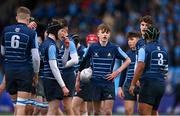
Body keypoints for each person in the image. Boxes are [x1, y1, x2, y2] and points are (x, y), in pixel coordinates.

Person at [77, 23, 131, 115]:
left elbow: (128, 60)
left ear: (109, 35)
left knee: (108, 112)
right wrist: (77, 81)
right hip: (95, 83)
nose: (105, 35)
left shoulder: (114, 48)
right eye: (102, 33)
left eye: (107, 33)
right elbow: (82, 64)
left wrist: (116, 72)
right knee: (97, 112)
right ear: (98, 34)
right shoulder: (92, 47)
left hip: (108, 84)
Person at [0, 6, 40, 115]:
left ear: (17, 17)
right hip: (24, 71)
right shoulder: (31, 33)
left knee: (15, 105)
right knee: (21, 105)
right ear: (28, 19)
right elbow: (36, 57)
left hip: (9, 70)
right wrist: (36, 73)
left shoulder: (6, 30)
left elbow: (2, 51)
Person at [129, 26, 168, 115]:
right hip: (161, 85)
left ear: (146, 36)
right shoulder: (164, 50)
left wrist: (132, 84)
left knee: (144, 113)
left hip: (148, 84)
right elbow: (165, 71)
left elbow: (140, 67)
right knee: (154, 113)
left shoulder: (144, 49)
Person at [40, 19, 69, 115]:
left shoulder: (47, 43)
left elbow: (62, 63)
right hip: (52, 81)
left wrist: (67, 49)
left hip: (49, 80)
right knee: (52, 110)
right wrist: (63, 86)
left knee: (55, 110)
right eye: (61, 31)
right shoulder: (51, 46)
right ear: (54, 31)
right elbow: (54, 68)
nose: (64, 34)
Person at [54, 18, 79, 115]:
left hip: (68, 75)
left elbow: (75, 60)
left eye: (62, 29)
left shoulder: (70, 42)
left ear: (66, 29)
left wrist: (62, 66)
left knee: (67, 106)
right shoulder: (59, 41)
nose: (60, 31)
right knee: (56, 106)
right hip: (60, 74)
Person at [72, 34, 98, 115]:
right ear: (87, 43)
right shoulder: (85, 52)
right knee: (83, 109)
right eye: (90, 43)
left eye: (93, 43)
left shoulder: (95, 53)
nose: (91, 44)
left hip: (89, 83)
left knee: (75, 107)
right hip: (82, 81)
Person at [118, 32, 141, 115]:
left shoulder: (143, 52)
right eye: (128, 40)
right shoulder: (126, 54)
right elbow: (123, 72)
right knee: (128, 111)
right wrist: (120, 87)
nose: (129, 42)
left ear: (138, 40)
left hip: (140, 84)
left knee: (141, 111)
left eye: (132, 39)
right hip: (128, 84)